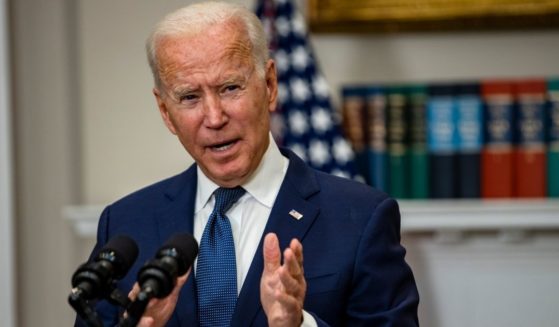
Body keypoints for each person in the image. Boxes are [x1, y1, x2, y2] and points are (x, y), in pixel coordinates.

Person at [75, 2, 419, 326]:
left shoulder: (360, 218)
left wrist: (299, 324)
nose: (214, 117)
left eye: (229, 88)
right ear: (166, 111)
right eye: (190, 97)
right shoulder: (125, 225)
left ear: (269, 85)